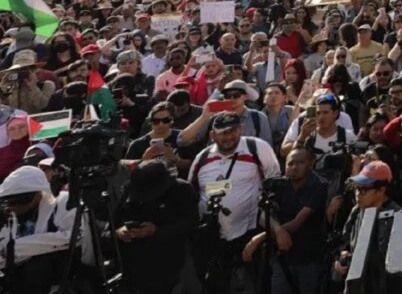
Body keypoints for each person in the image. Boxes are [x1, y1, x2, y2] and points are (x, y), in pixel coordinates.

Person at [188, 110, 280, 292]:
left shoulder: (257, 148)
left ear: (241, 129)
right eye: (223, 133)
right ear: (213, 135)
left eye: (233, 131)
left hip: (251, 230)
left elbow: (274, 183)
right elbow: (193, 191)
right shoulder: (203, 158)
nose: (229, 136)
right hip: (214, 235)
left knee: (258, 283)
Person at [242, 147, 328, 294]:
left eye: (300, 163)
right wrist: (279, 231)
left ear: (311, 163)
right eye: (290, 163)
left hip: (309, 258)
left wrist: (259, 238)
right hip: (281, 257)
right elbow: (263, 215)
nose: (294, 167)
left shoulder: (319, 185)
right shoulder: (275, 184)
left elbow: (297, 222)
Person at [112, 159, 197, 294]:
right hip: (135, 268)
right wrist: (119, 232)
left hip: (172, 265)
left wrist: (157, 231)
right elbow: (113, 224)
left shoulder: (181, 190)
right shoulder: (129, 190)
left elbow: (190, 223)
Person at [0, 165, 74, 290]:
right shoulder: (8, 217)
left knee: (37, 266)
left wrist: (16, 248)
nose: (14, 207)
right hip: (15, 277)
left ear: (37, 193)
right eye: (9, 202)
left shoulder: (61, 204)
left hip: (55, 277)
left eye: (19, 201)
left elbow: (72, 237)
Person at [332, 161, 399, 283]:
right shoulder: (357, 211)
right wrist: (341, 257)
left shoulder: (397, 216)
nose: (358, 194)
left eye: (364, 190)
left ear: (381, 190)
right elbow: (344, 241)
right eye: (356, 189)